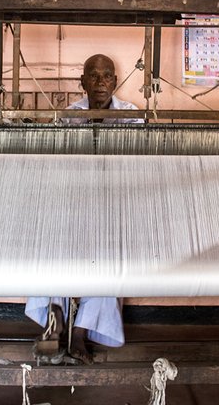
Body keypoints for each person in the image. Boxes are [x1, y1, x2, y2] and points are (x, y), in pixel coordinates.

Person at [25, 54, 140, 364]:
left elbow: (140, 156)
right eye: (93, 76)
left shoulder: (131, 115)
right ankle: (56, 318)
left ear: (115, 82)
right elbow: (57, 156)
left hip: (114, 200)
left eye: (107, 76)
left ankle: (80, 333)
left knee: (106, 260)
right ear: (83, 82)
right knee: (50, 248)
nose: (100, 82)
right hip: (72, 198)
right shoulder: (68, 115)